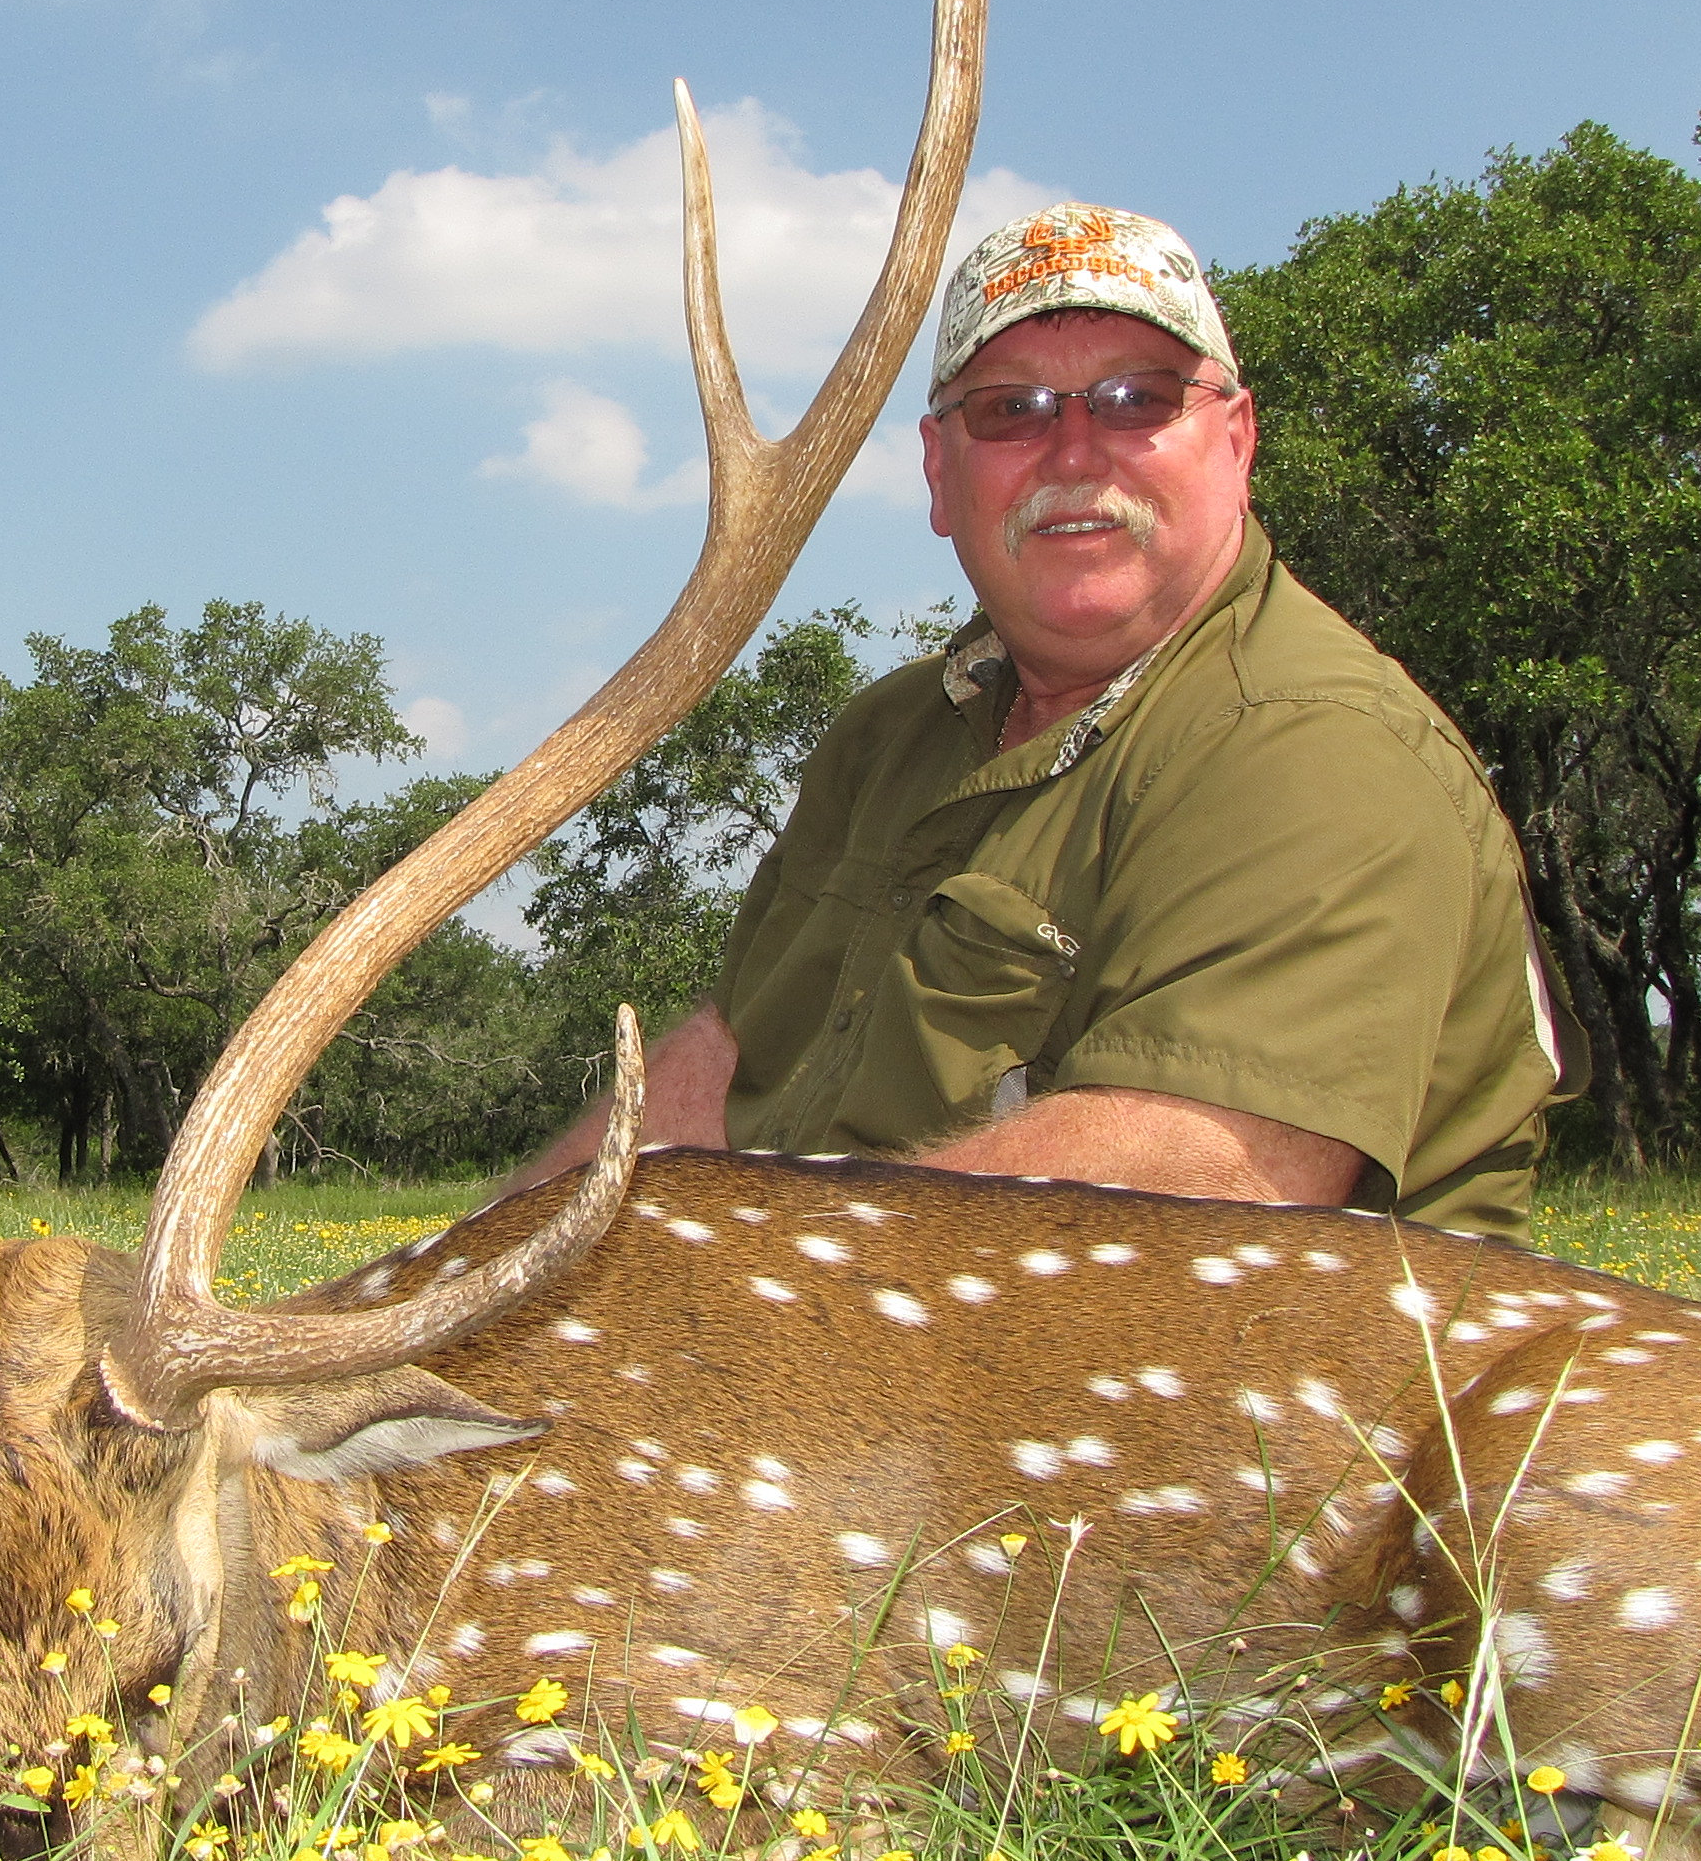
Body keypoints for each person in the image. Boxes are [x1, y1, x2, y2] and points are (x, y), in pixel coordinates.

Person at [510, 201, 1578, 1239]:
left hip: (1203, 1351)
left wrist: (721, 1300)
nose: (1073, 452)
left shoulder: (1319, 746)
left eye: (1137, 400)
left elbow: (1206, 1180)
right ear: (939, 472)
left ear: (1237, 442)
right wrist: (478, 1269)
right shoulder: (888, 737)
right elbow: (724, 1061)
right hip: (842, 1318)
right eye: (1010, 410)